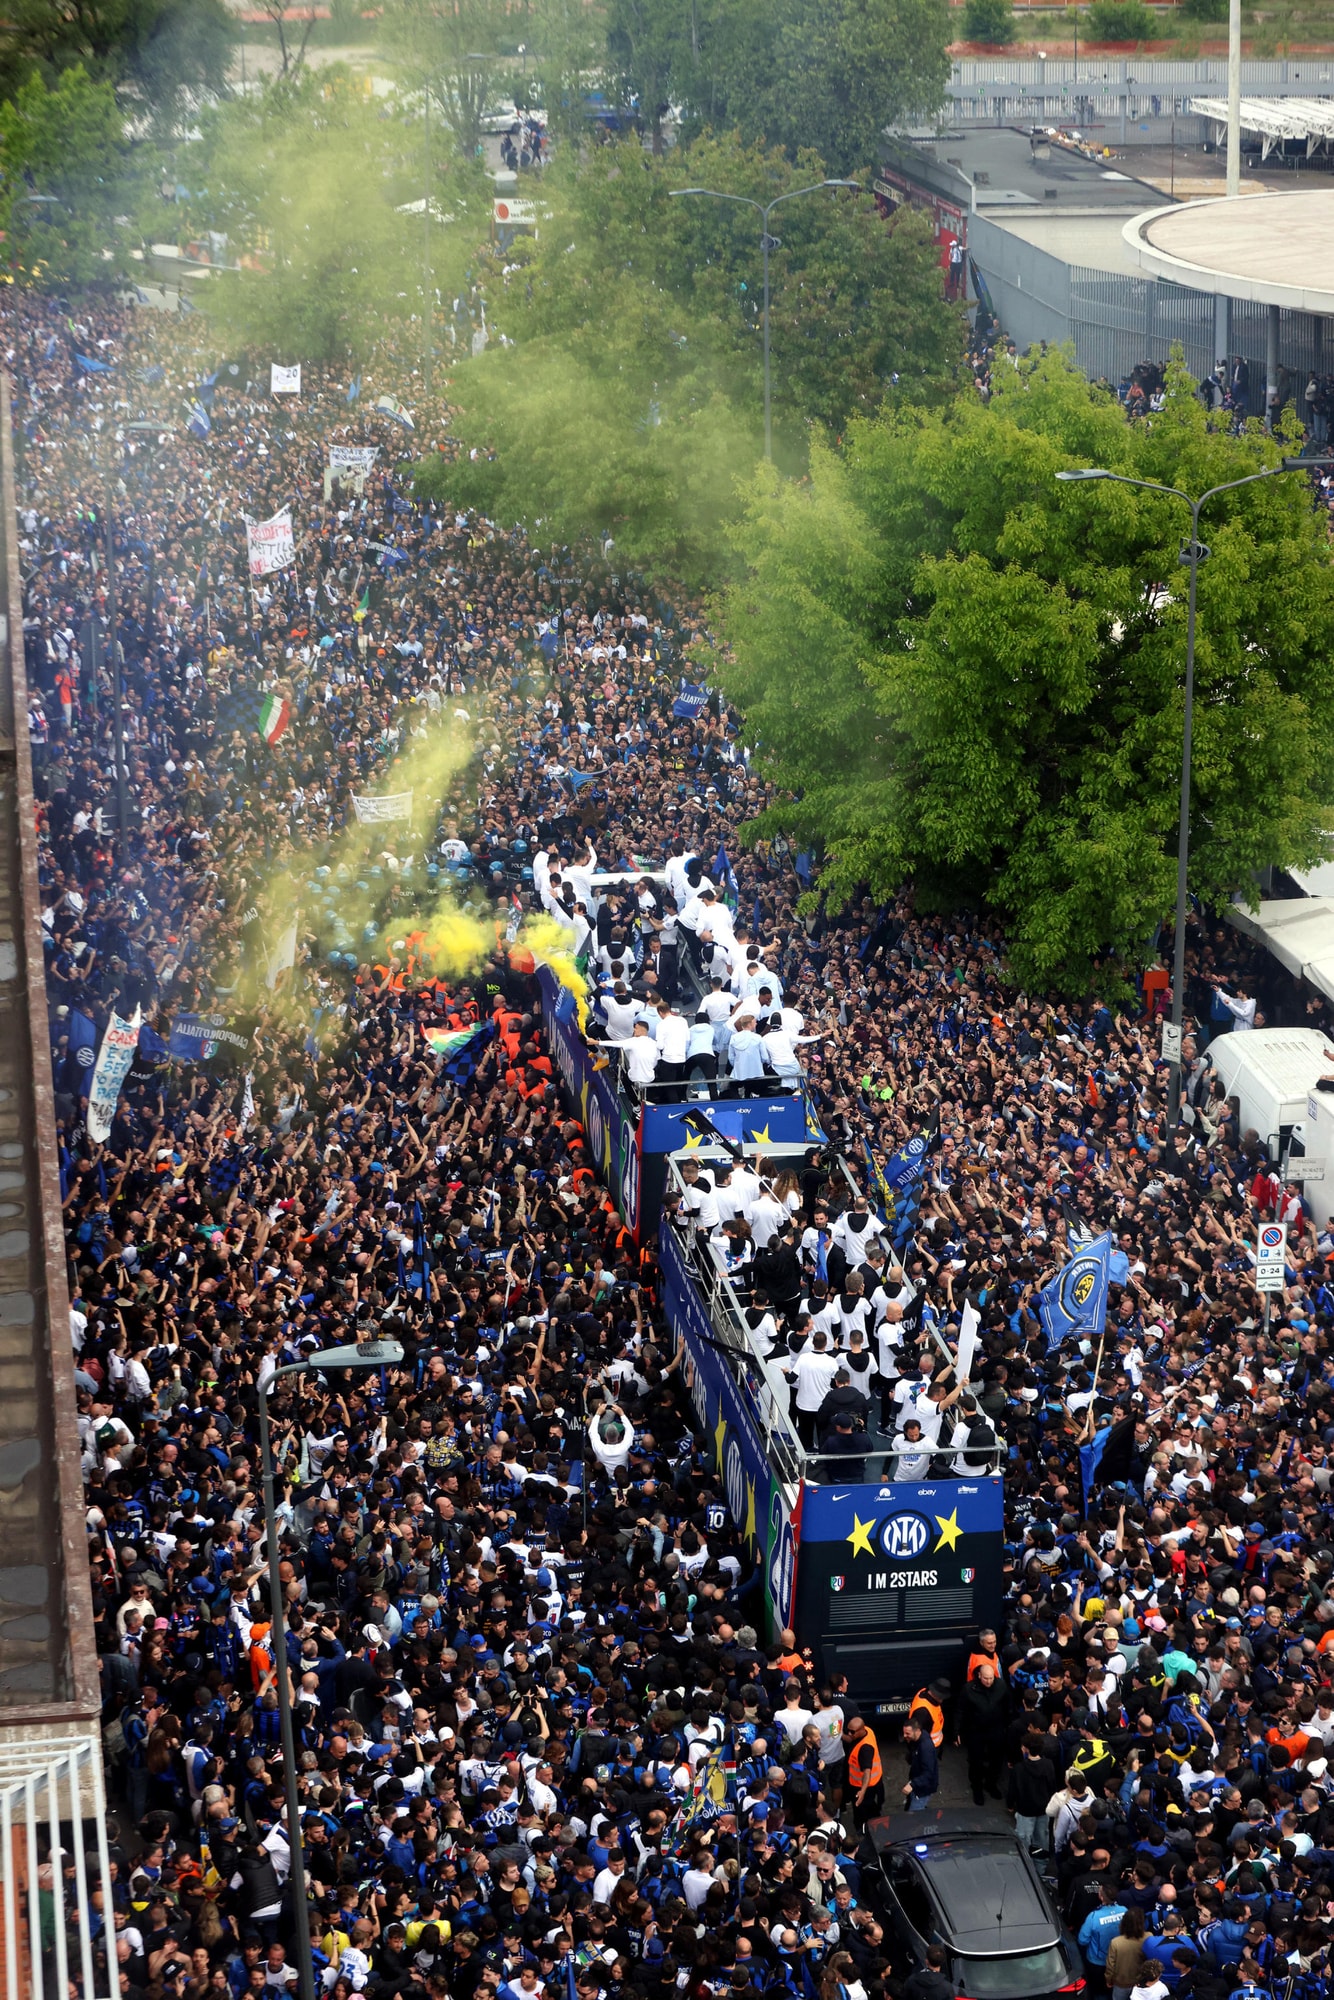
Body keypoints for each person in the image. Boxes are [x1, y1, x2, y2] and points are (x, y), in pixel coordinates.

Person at [901, 1714, 939, 1813]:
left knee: (914, 1815)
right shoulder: (917, 1739)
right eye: (904, 1733)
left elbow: (928, 1774)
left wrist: (912, 1784)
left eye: (907, 1733)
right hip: (918, 1784)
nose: (904, 1736)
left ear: (917, 1731)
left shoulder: (926, 1747)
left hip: (922, 1790)